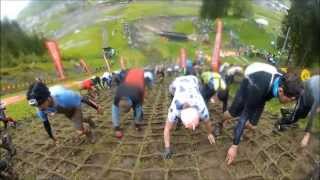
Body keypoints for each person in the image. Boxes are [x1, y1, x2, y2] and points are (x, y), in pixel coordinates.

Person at [213, 62, 303, 165]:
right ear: (281, 91)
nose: (290, 102)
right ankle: (220, 123)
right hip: (250, 82)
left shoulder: (285, 83)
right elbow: (243, 117)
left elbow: (295, 89)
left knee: (253, 125)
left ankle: (238, 130)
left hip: (264, 90)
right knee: (233, 113)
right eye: (290, 100)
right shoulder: (260, 88)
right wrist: (234, 146)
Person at [26, 82, 103, 144]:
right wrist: (52, 138)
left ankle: (89, 134)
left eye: (41, 104)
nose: (39, 108)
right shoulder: (40, 109)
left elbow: (83, 99)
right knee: (76, 119)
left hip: (74, 105)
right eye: (36, 106)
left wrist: (97, 107)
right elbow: (46, 123)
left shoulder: (65, 96)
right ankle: (88, 119)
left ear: (48, 98)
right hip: (64, 110)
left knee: (79, 130)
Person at [163, 75, 215, 159]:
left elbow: (207, 122)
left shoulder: (202, 108)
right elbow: (167, 129)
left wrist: (210, 133)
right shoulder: (174, 109)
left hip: (194, 79)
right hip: (177, 82)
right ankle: (178, 119)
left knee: (199, 90)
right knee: (171, 92)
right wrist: (167, 148)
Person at [275, 75, 319, 147]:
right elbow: (312, 115)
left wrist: (317, 107)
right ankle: (279, 124)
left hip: (310, 99)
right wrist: (307, 135)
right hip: (303, 95)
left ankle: (285, 111)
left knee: (302, 115)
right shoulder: (318, 92)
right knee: (295, 116)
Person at [112, 68, 145, 138]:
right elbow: (114, 110)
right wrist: (116, 127)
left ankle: (138, 120)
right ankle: (137, 120)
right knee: (138, 107)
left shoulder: (137, 96)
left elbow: (139, 107)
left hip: (138, 82)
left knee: (139, 108)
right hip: (129, 80)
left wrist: (137, 123)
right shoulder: (118, 95)